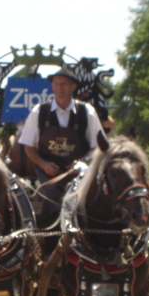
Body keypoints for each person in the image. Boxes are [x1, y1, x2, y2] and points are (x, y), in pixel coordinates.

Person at [18, 67, 106, 224]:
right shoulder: (39, 112)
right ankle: (49, 237)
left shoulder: (87, 112)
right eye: (56, 84)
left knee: (89, 198)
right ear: (52, 86)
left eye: (64, 84)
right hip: (49, 175)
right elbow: (28, 148)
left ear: (73, 87)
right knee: (52, 197)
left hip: (79, 173)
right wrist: (44, 165)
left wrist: (83, 160)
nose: (60, 88)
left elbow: (98, 146)